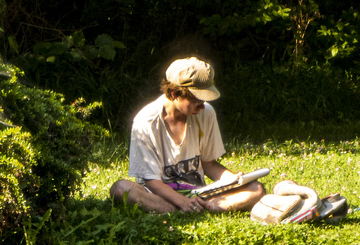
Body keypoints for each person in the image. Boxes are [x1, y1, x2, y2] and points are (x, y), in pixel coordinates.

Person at [109, 58, 265, 215]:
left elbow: (208, 164)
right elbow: (151, 181)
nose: (202, 106)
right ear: (174, 94)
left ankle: (198, 208)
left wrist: (233, 180)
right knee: (121, 188)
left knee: (256, 189)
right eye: (196, 100)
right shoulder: (145, 121)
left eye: (204, 100)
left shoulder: (206, 113)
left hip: (198, 193)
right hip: (159, 195)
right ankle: (180, 209)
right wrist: (182, 201)